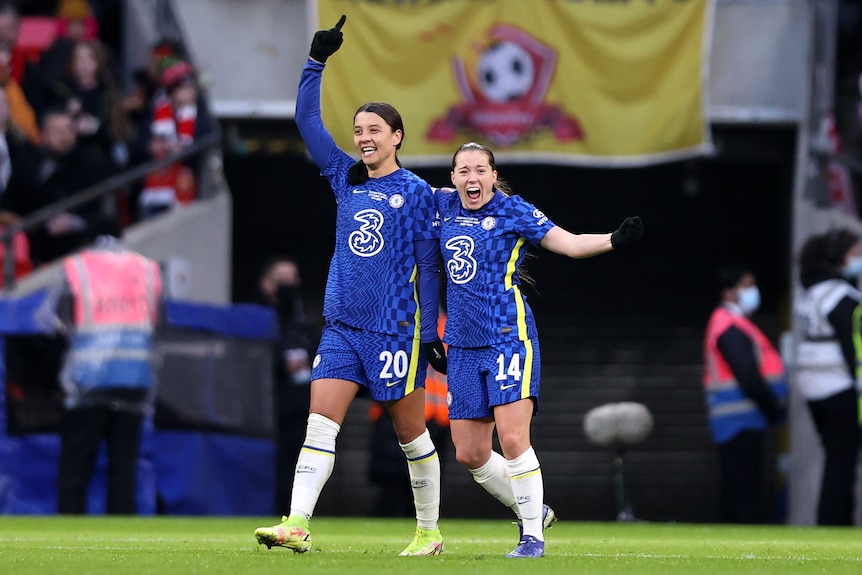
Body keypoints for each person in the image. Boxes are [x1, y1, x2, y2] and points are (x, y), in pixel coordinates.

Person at [254, 15, 447, 556]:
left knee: (412, 437)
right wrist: (316, 62)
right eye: (359, 130)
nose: (363, 138)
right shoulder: (344, 177)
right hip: (341, 327)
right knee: (320, 425)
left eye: (373, 131)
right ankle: (297, 524)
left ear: (397, 138)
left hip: (394, 331)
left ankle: (429, 532)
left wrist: (430, 328)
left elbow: (430, 266)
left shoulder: (418, 194)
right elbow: (305, 119)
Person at [435, 142, 642, 558]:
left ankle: (532, 537)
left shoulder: (514, 210)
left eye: (480, 170)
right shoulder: (440, 205)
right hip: (460, 343)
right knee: (469, 453)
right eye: (463, 171)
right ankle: (533, 508)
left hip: (508, 337)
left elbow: (569, 243)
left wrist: (613, 240)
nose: (472, 179)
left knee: (512, 438)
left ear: (494, 176)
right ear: (453, 177)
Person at [53, 223, 162, 513]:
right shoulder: (146, 268)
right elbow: (159, 322)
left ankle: (69, 529)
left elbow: (58, 320)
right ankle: (121, 529)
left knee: (76, 461)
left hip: (88, 380)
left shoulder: (78, 267)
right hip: (135, 379)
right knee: (123, 465)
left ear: (88, 238)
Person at [702, 266, 787, 524]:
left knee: (736, 489)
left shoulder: (735, 323)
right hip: (738, 420)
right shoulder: (729, 326)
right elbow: (748, 375)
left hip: (742, 419)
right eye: (746, 285)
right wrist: (773, 409)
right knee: (744, 491)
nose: (753, 291)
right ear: (729, 293)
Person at [794, 228, 862, 525]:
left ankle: (832, 522)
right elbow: (853, 346)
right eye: (856, 255)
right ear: (838, 259)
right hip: (838, 387)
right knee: (842, 463)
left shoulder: (812, 293)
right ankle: (835, 524)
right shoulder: (842, 296)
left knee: (836, 459)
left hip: (812, 387)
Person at [256, 255, 320, 515]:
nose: (287, 286)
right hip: (264, 411)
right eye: (280, 280)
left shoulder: (306, 322)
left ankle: (295, 515)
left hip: (301, 409)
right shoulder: (258, 322)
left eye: (291, 279)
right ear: (266, 285)